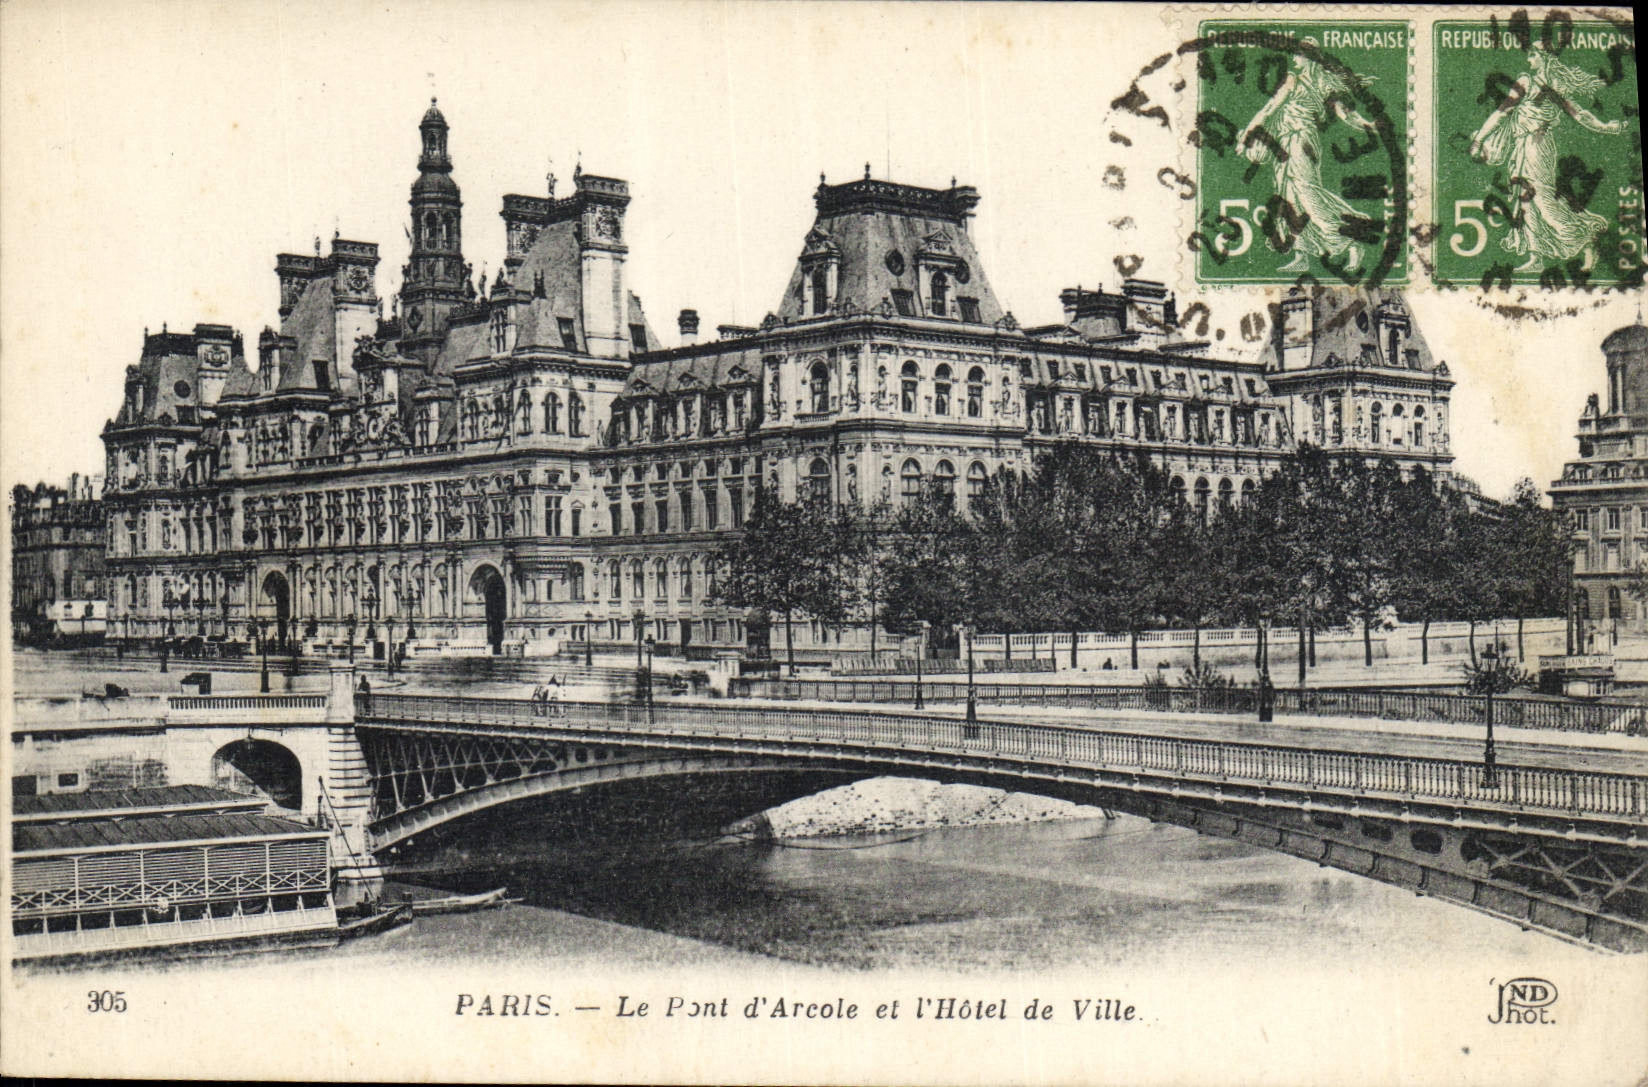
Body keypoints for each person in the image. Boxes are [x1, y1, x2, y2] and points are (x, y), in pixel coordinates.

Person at [1470, 42, 1628, 271]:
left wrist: (1478, 140)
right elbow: (1503, 112)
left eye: (1533, 55)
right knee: (1525, 201)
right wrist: (1607, 127)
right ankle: (1536, 258)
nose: (1529, 60)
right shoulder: (1535, 85)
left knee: (1542, 201)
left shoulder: (1542, 85)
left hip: (1537, 146)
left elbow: (1502, 113)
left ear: (1544, 58)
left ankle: (1587, 241)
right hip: (1522, 146)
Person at [1237, 39, 1379, 273]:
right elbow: (1347, 116)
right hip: (1287, 142)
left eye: (1297, 55)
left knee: (1307, 193)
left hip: (1300, 141)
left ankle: (1351, 240)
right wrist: (1369, 125)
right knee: (1289, 197)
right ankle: (1301, 254)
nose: (1294, 59)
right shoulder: (1322, 82)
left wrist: (1246, 137)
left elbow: (1269, 109)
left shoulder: (1299, 81)